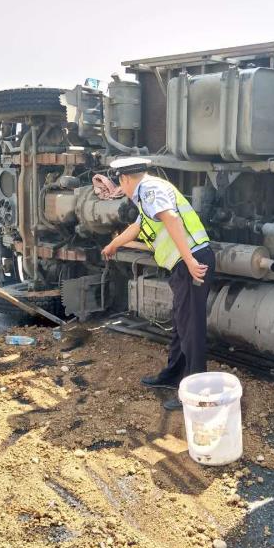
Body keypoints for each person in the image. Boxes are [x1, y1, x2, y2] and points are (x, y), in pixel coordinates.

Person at [102, 157, 215, 410]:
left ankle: (196, 393)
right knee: (181, 323)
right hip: (185, 263)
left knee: (191, 328)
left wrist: (189, 261)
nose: (122, 190)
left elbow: (171, 219)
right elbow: (138, 226)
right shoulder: (147, 195)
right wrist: (113, 245)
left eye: (120, 183)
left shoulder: (150, 189)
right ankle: (173, 374)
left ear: (125, 179)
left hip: (192, 262)